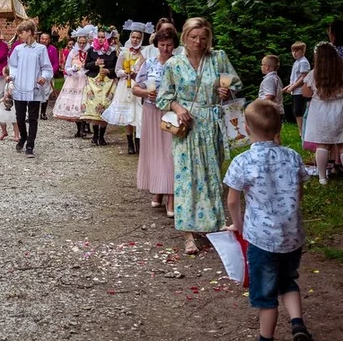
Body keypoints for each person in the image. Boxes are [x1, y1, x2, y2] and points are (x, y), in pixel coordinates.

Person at [223, 100, 322, 341]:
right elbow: (298, 192)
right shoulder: (292, 156)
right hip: (292, 235)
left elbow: (233, 201)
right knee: (288, 281)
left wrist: (238, 224)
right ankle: (298, 325)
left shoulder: (243, 161)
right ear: (279, 126)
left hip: (262, 239)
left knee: (266, 294)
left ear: (245, 128)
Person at [156, 17, 242, 256]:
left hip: (212, 125)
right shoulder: (174, 64)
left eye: (203, 38)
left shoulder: (218, 58)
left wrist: (227, 91)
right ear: (184, 37)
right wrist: (177, 107)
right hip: (187, 127)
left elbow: (234, 84)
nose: (198, 42)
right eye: (193, 37)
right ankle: (188, 234)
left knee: (212, 176)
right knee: (187, 178)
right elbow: (163, 96)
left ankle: (213, 227)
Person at [133, 27, 178, 217]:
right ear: (156, 45)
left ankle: (171, 197)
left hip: (170, 113)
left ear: (175, 45)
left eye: (169, 45)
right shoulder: (149, 63)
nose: (165, 49)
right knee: (155, 153)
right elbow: (135, 88)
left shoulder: (179, 63)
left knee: (170, 153)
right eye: (162, 45)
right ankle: (158, 190)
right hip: (151, 111)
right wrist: (146, 92)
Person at [301, 43, 343, 185]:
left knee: (322, 143)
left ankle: (322, 177)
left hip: (320, 110)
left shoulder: (313, 74)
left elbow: (305, 93)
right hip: (341, 109)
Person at [8, 20, 53, 157]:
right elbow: (13, 65)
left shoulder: (40, 49)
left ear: (29, 32)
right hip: (20, 86)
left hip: (34, 86)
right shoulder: (18, 49)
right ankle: (23, 136)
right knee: (20, 117)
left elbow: (46, 67)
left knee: (33, 118)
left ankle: (30, 145)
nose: (20, 36)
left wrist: (44, 77)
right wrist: (12, 76)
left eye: (21, 33)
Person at [103, 22, 147, 154]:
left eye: (138, 38)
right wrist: (125, 73)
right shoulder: (124, 53)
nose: (135, 40)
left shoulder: (144, 54)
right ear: (130, 37)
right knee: (128, 114)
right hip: (125, 86)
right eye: (133, 37)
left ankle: (138, 141)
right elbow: (117, 70)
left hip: (138, 85)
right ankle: (130, 143)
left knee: (138, 115)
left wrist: (137, 73)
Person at [54, 27, 93, 136]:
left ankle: (85, 127)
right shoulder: (73, 52)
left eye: (84, 43)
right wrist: (73, 70)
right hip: (75, 79)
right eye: (80, 43)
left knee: (84, 102)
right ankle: (79, 128)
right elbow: (67, 67)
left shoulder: (90, 52)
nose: (81, 45)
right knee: (75, 102)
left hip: (85, 78)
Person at [82, 28, 117, 147]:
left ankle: (102, 135)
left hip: (107, 83)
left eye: (103, 37)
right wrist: (95, 64)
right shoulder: (91, 50)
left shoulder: (112, 52)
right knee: (94, 107)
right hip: (93, 81)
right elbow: (86, 65)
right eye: (99, 37)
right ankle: (95, 134)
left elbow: (116, 68)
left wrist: (108, 70)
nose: (101, 39)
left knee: (105, 106)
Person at [283, 42, 311, 137]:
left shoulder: (303, 62)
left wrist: (293, 87)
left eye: (297, 51)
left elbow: (304, 77)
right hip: (295, 91)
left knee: (299, 111)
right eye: (293, 51)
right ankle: (301, 131)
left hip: (300, 91)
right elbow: (295, 78)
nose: (294, 53)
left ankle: (303, 131)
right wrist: (288, 86)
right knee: (296, 111)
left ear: (303, 51)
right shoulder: (297, 62)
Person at [0, 67, 21, 142]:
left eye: (3, 72)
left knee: (14, 120)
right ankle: (5, 132)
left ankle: (16, 134)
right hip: (7, 102)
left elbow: (10, 92)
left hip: (10, 102)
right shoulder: (7, 82)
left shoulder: (11, 83)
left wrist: (4, 98)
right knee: (2, 117)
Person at [38, 31, 59, 120]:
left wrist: (50, 73)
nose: (44, 41)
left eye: (46, 39)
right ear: (40, 39)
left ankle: (43, 112)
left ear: (49, 40)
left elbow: (55, 63)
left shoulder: (53, 49)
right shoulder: (35, 48)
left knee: (46, 94)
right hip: (37, 74)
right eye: (43, 39)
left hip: (48, 75)